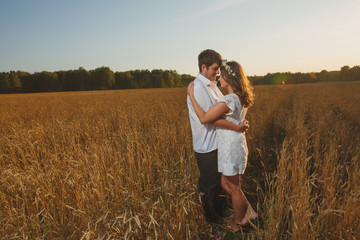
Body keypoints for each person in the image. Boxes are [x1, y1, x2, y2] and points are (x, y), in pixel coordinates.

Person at [187, 59, 258, 233]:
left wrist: (191, 96)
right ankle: (248, 211)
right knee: (225, 183)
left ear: (228, 78)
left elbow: (204, 118)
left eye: (222, 74)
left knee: (234, 188)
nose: (219, 76)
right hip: (232, 143)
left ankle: (239, 223)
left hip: (231, 146)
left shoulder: (228, 99)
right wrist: (237, 125)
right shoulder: (237, 97)